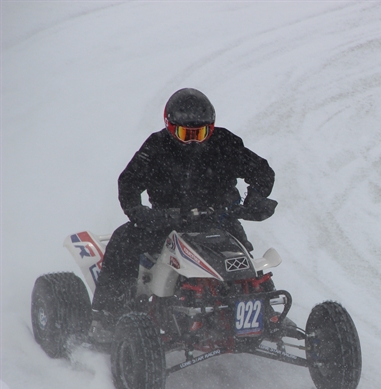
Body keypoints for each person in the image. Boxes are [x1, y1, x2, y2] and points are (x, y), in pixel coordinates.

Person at [91, 88, 277, 327]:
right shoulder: (156, 147)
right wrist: (140, 213)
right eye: (185, 133)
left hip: (219, 221)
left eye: (201, 133)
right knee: (122, 240)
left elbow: (262, 172)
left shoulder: (225, 143)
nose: (193, 141)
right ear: (170, 127)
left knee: (243, 262)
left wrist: (255, 200)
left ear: (211, 128)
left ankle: (265, 311)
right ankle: (108, 314)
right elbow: (128, 183)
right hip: (168, 223)